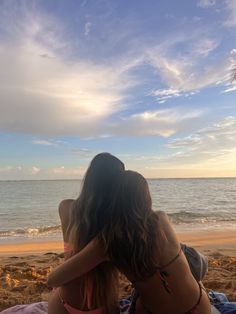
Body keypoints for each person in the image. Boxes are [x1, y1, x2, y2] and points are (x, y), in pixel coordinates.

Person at [48, 170, 213, 314]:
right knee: (189, 259)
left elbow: (53, 280)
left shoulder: (107, 242)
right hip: (199, 306)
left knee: (141, 298)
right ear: (146, 196)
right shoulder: (162, 218)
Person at [48, 153, 125, 314]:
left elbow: (67, 261)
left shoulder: (66, 208)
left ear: (90, 178)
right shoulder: (117, 222)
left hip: (64, 303)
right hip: (106, 305)